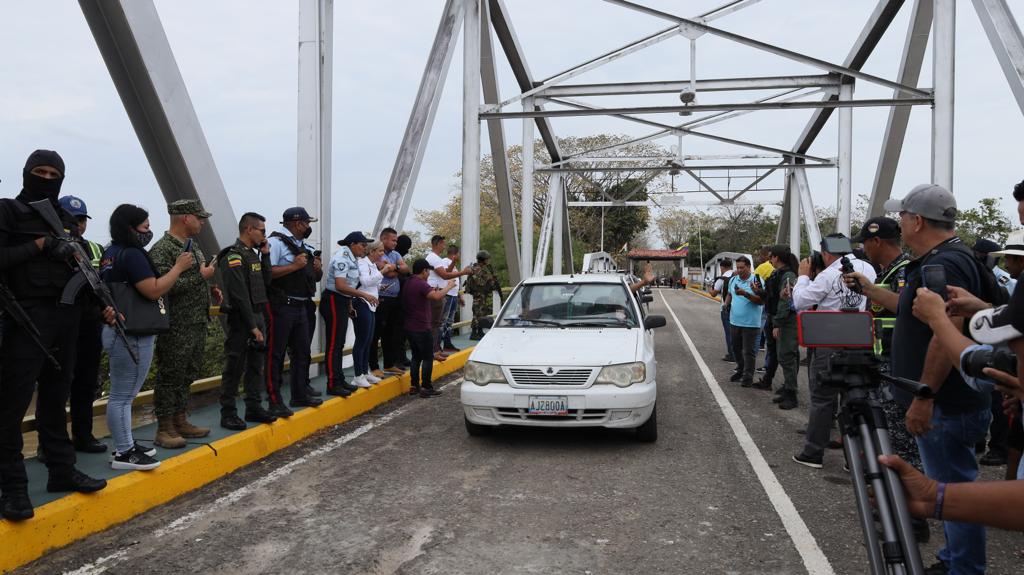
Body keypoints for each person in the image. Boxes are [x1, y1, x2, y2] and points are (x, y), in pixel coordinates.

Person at [879, 184, 992, 575]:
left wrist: (925, 395)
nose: (899, 223)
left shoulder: (947, 263)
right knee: (950, 486)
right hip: (950, 399)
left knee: (952, 492)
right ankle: (954, 559)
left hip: (945, 402)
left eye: (902, 216)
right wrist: (872, 290)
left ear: (917, 221)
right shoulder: (947, 257)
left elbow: (947, 334)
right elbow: (915, 311)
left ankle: (964, 568)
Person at [0, 151, 109, 521]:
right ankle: (13, 488)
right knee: (12, 406)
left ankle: (61, 469)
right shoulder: (8, 211)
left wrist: (102, 306)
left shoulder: (63, 219)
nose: (46, 178)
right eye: (40, 172)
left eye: (53, 174)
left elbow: (82, 271)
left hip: (67, 317)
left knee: (55, 399)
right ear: (26, 173)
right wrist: (39, 246)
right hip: (26, 316)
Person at [100, 204, 194, 471]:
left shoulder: (110, 253)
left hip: (117, 330)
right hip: (133, 333)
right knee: (123, 396)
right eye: (144, 227)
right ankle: (124, 452)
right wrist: (178, 268)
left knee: (122, 394)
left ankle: (126, 444)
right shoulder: (132, 254)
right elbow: (153, 290)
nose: (148, 232)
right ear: (130, 228)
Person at [791, 234, 876, 469]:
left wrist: (803, 276)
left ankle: (813, 453)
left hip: (829, 341)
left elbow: (800, 301)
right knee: (854, 398)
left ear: (826, 253)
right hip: (859, 340)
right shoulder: (868, 268)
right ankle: (855, 460)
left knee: (822, 398)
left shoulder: (828, 274)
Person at [148, 199, 219, 449]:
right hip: (176, 324)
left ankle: (180, 419)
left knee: (188, 373)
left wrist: (209, 287)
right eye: (199, 218)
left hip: (197, 321)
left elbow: (193, 279)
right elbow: (164, 287)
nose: (202, 223)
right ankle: (164, 427)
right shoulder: (162, 249)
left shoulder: (192, 246)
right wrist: (201, 276)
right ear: (185, 218)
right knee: (170, 374)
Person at [217, 212, 278, 430]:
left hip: (257, 315)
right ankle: (228, 413)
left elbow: (266, 282)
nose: (264, 234)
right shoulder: (233, 256)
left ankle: (253, 407)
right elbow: (239, 294)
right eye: (262, 230)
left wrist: (266, 255)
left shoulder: (252, 255)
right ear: (249, 229)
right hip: (242, 319)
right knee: (234, 366)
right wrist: (252, 326)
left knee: (255, 365)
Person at [57, 195, 107, 454]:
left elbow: (105, 285)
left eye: (81, 220)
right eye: (72, 219)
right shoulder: (51, 246)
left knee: (86, 383)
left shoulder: (96, 249)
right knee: (56, 386)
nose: (78, 224)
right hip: (59, 325)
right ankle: (50, 443)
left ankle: (83, 436)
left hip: (90, 324)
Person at [266, 207, 324, 417]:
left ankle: (299, 394)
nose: (309, 227)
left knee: (302, 352)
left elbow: (314, 278)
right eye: (307, 223)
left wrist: (316, 269)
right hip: (282, 306)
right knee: (276, 354)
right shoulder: (275, 243)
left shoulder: (304, 246)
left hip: (301, 306)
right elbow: (267, 272)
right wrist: (294, 266)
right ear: (298, 224)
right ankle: (274, 401)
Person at [320, 232, 376, 394]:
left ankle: (339, 380)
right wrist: (364, 295)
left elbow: (349, 285)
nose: (365, 248)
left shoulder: (353, 259)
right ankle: (333, 383)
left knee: (339, 343)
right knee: (334, 344)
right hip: (333, 300)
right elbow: (340, 285)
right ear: (352, 244)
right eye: (363, 245)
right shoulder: (342, 258)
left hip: (343, 301)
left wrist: (350, 302)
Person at [404, 259, 456, 397]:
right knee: (427, 358)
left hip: (409, 326)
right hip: (421, 326)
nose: (428, 274)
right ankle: (426, 387)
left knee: (416, 357)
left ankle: (414, 385)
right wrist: (449, 286)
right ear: (424, 271)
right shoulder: (421, 283)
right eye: (428, 271)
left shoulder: (409, 282)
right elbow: (436, 296)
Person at [425, 235, 474, 361]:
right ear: (438, 244)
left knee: (438, 323)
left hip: (439, 292)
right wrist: (463, 272)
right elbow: (445, 275)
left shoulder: (435, 258)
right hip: (436, 293)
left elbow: (446, 271)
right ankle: (434, 351)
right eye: (443, 244)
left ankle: (436, 350)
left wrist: (453, 262)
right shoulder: (434, 258)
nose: (444, 246)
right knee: (436, 323)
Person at [368, 227, 409, 376]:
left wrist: (394, 267)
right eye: (393, 240)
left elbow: (405, 269)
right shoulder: (376, 254)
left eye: (396, 240)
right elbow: (390, 274)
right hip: (381, 298)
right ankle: (373, 366)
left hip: (394, 299)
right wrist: (395, 269)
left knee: (390, 333)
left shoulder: (396, 254)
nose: (395, 243)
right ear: (383, 239)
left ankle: (389, 364)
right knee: (376, 333)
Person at [765, 246, 799, 409]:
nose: (770, 260)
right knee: (784, 355)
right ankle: (788, 389)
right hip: (783, 319)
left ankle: (791, 394)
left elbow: (786, 301)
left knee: (787, 356)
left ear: (776, 258)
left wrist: (777, 323)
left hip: (787, 321)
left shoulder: (788, 275)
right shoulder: (781, 274)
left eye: (771, 257)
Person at [354, 240, 389, 387]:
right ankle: (358, 375)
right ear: (372, 251)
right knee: (362, 340)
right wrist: (383, 272)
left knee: (368, 340)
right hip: (361, 303)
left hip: (371, 305)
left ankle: (364, 371)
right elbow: (365, 282)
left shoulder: (373, 265)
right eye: (380, 251)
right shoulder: (362, 263)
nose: (382, 254)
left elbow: (372, 284)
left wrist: (381, 287)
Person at [726, 256, 764, 387]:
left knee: (748, 352)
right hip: (734, 321)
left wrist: (745, 294)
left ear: (749, 267)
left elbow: (761, 301)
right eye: (738, 268)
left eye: (742, 267)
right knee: (735, 349)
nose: (739, 270)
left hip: (750, 323)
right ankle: (740, 370)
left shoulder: (756, 280)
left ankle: (748, 378)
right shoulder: (733, 280)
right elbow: (729, 294)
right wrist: (726, 305)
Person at [464, 250, 501, 340]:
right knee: (477, 314)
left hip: (482, 295)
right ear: (483, 260)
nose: (488, 261)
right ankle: (473, 333)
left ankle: (480, 331)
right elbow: (480, 283)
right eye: (487, 259)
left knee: (482, 313)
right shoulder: (477, 269)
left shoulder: (481, 268)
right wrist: (490, 281)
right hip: (478, 295)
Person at [709, 259, 735, 362]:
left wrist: (709, 288)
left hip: (726, 307)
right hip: (737, 307)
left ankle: (732, 355)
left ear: (722, 267)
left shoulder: (722, 278)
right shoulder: (736, 275)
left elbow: (714, 293)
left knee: (729, 332)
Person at [439, 244, 463, 353]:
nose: (459, 255)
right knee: (443, 321)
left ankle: (447, 343)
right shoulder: (444, 261)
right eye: (458, 253)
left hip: (453, 295)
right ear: (455, 254)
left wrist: (459, 296)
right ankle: (438, 345)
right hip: (447, 295)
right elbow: (446, 274)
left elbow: (455, 280)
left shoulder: (454, 265)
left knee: (449, 321)